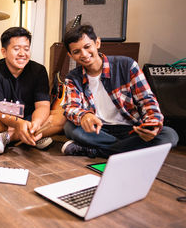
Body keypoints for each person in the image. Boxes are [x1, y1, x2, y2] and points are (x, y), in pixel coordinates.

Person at [61, 24, 178, 158]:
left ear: (97, 43)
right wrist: (84, 116)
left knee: (169, 135)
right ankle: (130, 149)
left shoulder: (127, 65)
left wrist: (152, 124)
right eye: (76, 52)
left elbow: (147, 100)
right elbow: (71, 107)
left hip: (130, 129)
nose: (84, 54)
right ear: (70, 55)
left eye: (87, 47)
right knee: (70, 129)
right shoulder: (73, 77)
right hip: (98, 130)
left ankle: (94, 151)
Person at [0, 27, 66, 154]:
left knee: (62, 116)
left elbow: (43, 105)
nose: (22, 53)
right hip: (4, 121)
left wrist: (36, 124)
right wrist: (19, 124)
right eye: (16, 49)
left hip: (31, 119)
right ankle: (36, 136)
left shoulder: (39, 70)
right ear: (4, 52)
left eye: (26, 49)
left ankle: (9, 137)